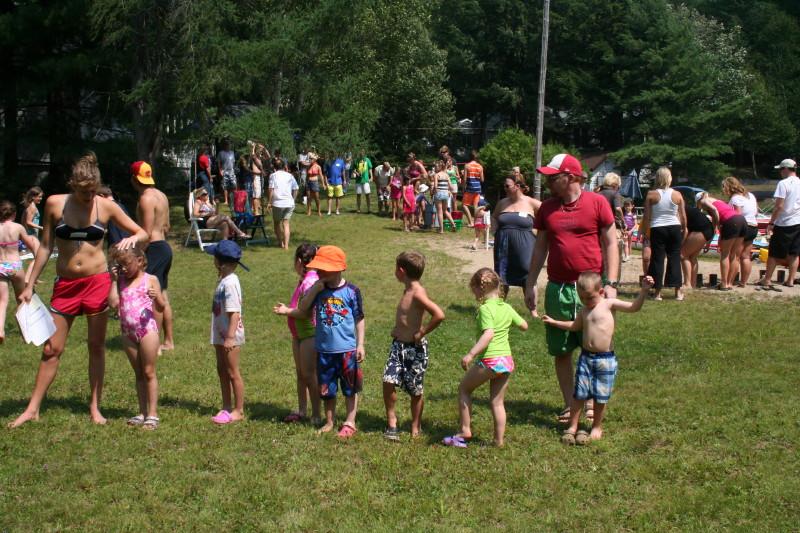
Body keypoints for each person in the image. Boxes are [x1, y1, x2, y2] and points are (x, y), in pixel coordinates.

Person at [9, 152, 147, 428]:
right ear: (73, 185)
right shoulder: (55, 204)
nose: (89, 197)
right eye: (84, 192)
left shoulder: (105, 207)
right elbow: (45, 246)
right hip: (66, 285)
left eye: (93, 191)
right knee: (52, 348)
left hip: (97, 283)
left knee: (96, 346)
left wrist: (129, 241)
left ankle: (95, 407)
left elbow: (142, 232)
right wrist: (30, 284)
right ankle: (32, 408)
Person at [524, 153, 619, 425]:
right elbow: (540, 247)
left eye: (553, 177)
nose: (548, 182)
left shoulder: (597, 202)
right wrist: (530, 283)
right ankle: (569, 403)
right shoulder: (547, 208)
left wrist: (611, 283)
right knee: (562, 350)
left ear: (571, 177)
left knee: (595, 348)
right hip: (558, 288)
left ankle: (589, 402)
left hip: (592, 291)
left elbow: (611, 243)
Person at [543, 272, 654, 444]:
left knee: (600, 397)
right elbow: (574, 326)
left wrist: (644, 291)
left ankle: (596, 426)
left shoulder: (609, 304)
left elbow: (633, 307)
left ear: (601, 292)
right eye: (582, 298)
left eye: (590, 297)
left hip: (605, 360)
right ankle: (573, 426)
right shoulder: (583, 310)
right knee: (579, 394)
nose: (586, 301)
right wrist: (554, 322)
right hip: (586, 358)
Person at [273, 245, 365, 439]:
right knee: (327, 389)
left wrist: (361, 344)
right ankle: (329, 421)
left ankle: (350, 421)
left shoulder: (351, 291)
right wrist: (315, 288)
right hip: (324, 350)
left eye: (323, 268)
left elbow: (359, 318)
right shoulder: (318, 290)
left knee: (350, 388)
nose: (318, 272)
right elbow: (303, 308)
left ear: (337, 269)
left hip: (347, 349)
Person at [442, 268, 528, 448]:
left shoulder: (485, 309)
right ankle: (498, 441)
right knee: (497, 402)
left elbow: (488, 334)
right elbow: (524, 325)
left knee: (464, 389)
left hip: (490, 360)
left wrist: (471, 354)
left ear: (479, 289)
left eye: (473, 289)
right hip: (506, 361)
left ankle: (465, 430)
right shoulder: (507, 307)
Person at [382, 251, 445, 441]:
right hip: (398, 347)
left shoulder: (418, 293)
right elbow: (407, 316)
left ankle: (416, 425)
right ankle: (392, 421)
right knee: (388, 381)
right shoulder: (407, 289)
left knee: (416, 391)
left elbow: (439, 314)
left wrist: (422, 332)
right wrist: (398, 329)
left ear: (401, 271)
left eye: (395, 268)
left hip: (414, 350)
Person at [110, 246, 164, 430]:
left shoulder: (151, 279)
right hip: (128, 333)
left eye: (126, 264)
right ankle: (142, 412)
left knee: (149, 372)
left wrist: (157, 297)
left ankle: (153, 414)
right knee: (139, 373)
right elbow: (113, 303)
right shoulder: (120, 281)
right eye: (120, 265)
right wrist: (113, 281)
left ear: (140, 261)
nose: (123, 268)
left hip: (147, 330)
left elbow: (162, 307)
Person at [131, 161, 175, 352]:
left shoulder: (145, 198)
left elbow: (146, 233)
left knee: (152, 297)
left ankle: (153, 344)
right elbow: (167, 226)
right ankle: (169, 341)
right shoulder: (161, 195)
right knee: (162, 295)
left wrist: (136, 254)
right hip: (164, 247)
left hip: (154, 249)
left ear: (134, 179)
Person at [207, 240, 248, 425]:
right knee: (222, 370)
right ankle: (226, 406)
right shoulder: (224, 280)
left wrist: (230, 338)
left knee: (232, 372)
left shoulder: (230, 283)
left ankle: (238, 410)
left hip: (229, 336)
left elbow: (234, 313)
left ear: (220, 262)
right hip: (221, 334)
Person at [283, 243, 321, 424]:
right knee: (301, 374)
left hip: (309, 334)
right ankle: (302, 410)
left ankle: (316, 414)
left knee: (309, 375)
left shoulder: (309, 282)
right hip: (299, 335)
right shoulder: (305, 279)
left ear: (299, 261)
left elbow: (305, 313)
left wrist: (286, 311)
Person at [640, 167, 686, 300]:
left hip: (657, 228)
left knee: (657, 259)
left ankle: (657, 293)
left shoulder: (651, 194)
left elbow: (647, 216)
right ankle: (678, 292)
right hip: (674, 227)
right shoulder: (677, 194)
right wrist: (684, 229)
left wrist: (645, 232)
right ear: (669, 178)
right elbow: (683, 216)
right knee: (674, 258)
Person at [492, 175, 541, 298]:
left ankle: (533, 308)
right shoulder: (502, 203)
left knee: (528, 275)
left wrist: (539, 233)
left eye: (507, 186)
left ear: (517, 186)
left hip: (525, 246)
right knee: (502, 275)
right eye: (504, 186)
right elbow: (494, 217)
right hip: (503, 245)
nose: (505, 188)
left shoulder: (531, 202)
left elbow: (548, 216)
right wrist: (495, 231)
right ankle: (500, 305)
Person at [757, 159, 800, 291]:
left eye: (781, 169)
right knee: (794, 253)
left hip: (784, 222)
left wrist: (771, 223)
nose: (780, 172)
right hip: (798, 221)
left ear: (786, 169)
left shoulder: (783, 183)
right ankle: (790, 280)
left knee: (774, 253)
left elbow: (779, 206)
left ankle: (767, 279)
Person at [0, 201, 38, 344]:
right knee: (21, 299)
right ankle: (25, 334)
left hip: (0, 266)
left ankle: (0, 330)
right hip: (15, 265)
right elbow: (30, 245)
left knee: (2, 301)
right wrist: (35, 254)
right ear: (14, 214)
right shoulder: (18, 227)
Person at [696, 190, 746, 291]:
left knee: (725, 255)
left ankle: (724, 284)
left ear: (699, 201)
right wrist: (709, 243)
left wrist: (717, 224)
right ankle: (729, 283)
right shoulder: (718, 201)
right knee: (734, 255)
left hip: (731, 221)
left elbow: (715, 211)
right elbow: (716, 224)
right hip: (742, 220)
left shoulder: (705, 201)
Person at [723, 176, 759, 287]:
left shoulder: (735, 198)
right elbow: (756, 212)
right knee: (746, 256)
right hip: (753, 226)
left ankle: (729, 282)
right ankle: (743, 282)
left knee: (735, 256)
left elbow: (737, 214)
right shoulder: (750, 195)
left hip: (742, 227)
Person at [597, 172, 626, 279]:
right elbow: (618, 209)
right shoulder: (615, 194)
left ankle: (601, 278)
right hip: (612, 228)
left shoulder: (597, 194)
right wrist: (623, 222)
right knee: (614, 254)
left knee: (601, 255)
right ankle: (613, 280)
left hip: (598, 229)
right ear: (615, 184)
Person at [268, 157, 299, 250]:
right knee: (286, 223)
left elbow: (271, 189)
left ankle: (280, 243)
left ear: (274, 167)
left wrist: (269, 202)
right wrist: (293, 199)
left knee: (277, 223)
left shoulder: (273, 176)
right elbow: (296, 188)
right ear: (284, 166)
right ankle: (286, 246)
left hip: (278, 203)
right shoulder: (290, 176)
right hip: (289, 203)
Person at [681, 203, 714, 289]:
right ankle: (693, 283)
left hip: (700, 230)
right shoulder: (688, 208)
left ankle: (687, 283)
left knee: (683, 255)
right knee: (692, 257)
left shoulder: (680, 210)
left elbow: (685, 230)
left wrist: (681, 244)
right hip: (708, 230)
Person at [432, 160, 456, 234]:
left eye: (436, 167)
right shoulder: (446, 175)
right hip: (446, 194)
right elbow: (451, 187)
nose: (435, 168)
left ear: (439, 167)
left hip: (439, 194)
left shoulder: (436, 175)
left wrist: (433, 190)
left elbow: (435, 186)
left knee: (439, 211)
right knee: (445, 211)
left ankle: (441, 230)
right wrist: (448, 190)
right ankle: (453, 224)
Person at [461, 150, 484, 227]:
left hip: (470, 187)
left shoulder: (467, 166)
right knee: (475, 206)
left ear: (469, 157)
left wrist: (463, 188)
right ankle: (476, 223)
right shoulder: (480, 166)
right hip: (478, 188)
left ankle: (471, 222)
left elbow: (464, 179)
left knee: (464, 205)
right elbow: (482, 179)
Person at [218, 140, 236, 206]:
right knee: (225, 186)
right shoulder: (221, 153)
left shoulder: (232, 153)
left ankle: (233, 199)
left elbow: (233, 162)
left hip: (231, 171)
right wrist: (220, 170)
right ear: (224, 145)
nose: (227, 146)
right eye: (226, 144)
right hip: (224, 171)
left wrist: (234, 169)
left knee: (233, 185)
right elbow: (219, 163)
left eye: (228, 145)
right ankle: (226, 200)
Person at [305, 153, 323, 217]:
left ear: (315, 160)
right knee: (309, 198)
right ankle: (309, 211)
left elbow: (321, 176)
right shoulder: (308, 166)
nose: (310, 160)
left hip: (315, 182)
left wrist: (323, 184)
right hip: (308, 182)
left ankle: (319, 211)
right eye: (310, 159)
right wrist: (306, 183)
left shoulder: (318, 167)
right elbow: (307, 175)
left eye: (311, 159)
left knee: (317, 198)